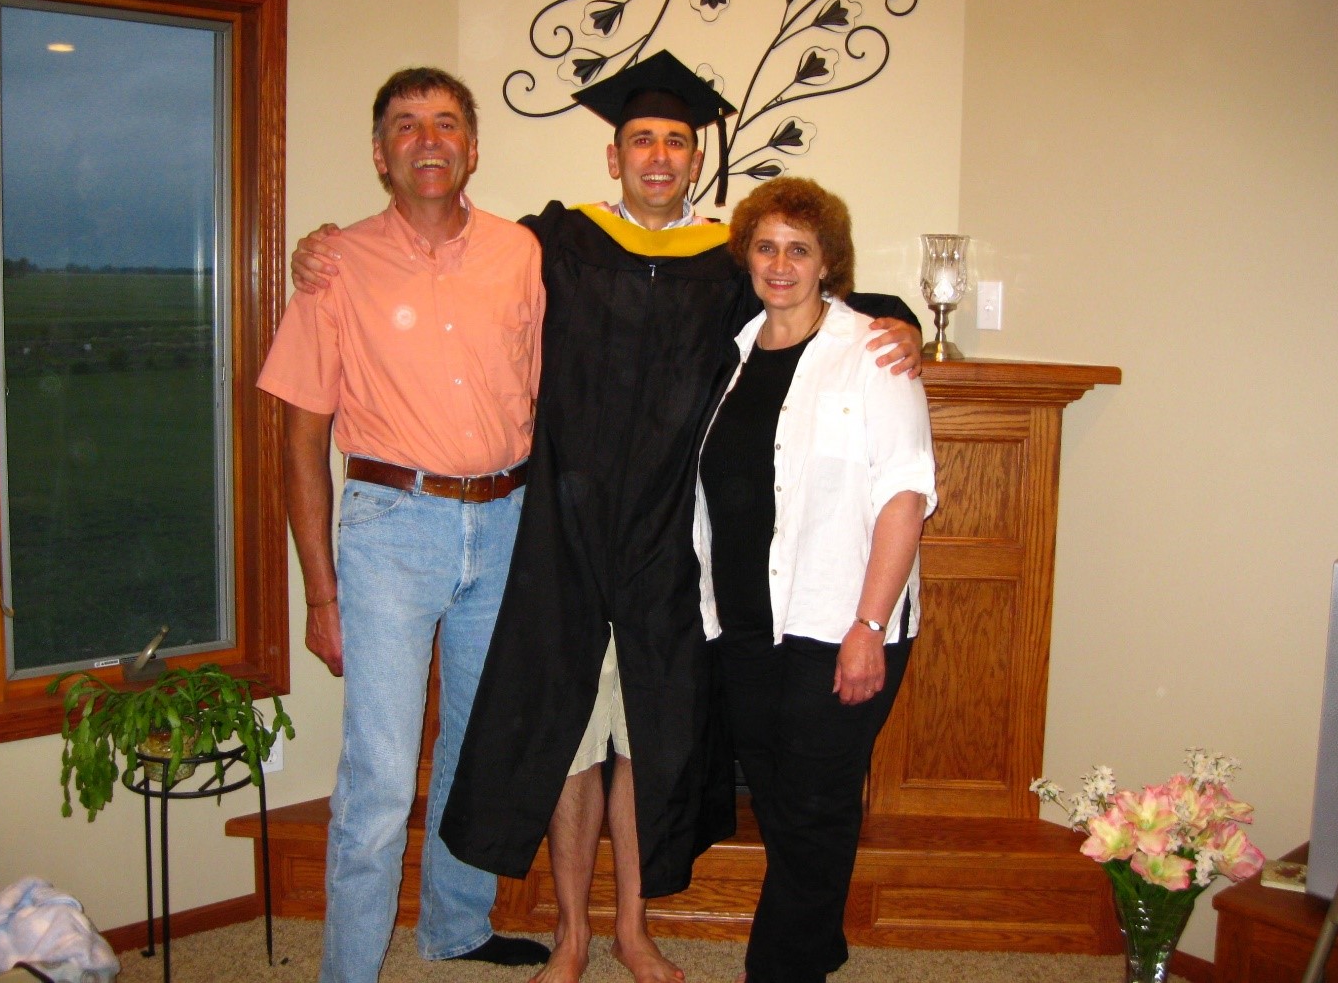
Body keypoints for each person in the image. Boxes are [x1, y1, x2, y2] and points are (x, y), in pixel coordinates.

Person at [289, 51, 923, 983]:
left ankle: (631, 929)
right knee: (569, 734)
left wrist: (895, 316)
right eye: (639, 140)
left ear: (695, 160)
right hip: (561, 535)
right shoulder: (555, 242)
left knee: (651, 736)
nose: (657, 155)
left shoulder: (727, 260)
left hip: (670, 540)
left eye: (674, 140)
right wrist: (322, 247)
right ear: (613, 158)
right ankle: (573, 932)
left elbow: (808, 299)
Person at [257, 67, 550, 983]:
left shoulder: (521, 255)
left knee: (474, 744)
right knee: (380, 776)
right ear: (380, 152)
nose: (429, 139)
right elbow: (300, 437)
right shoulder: (335, 263)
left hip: (504, 520)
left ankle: (454, 927)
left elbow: (547, 386)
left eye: (447, 123)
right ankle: (348, 971)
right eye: (406, 125)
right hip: (391, 526)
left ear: (473, 145)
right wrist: (320, 589)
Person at [695, 177, 936, 983]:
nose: (780, 262)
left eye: (798, 248)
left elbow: (904, 494)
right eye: (765, 246)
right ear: (746, 256)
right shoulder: (729, 356)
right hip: (745, 623)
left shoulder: (873, 351)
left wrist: (868, 626)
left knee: (812, 800)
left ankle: (782, 969)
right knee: (776, 797)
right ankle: (821, 939)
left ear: (828, 260)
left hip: (839, 621)